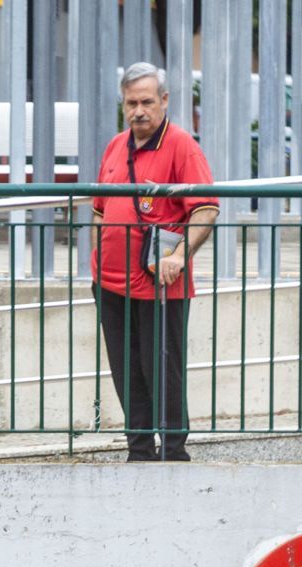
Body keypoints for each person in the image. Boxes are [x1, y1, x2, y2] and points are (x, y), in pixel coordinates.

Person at [91, 63, 218, 462]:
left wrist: (180, 256)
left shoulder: (182, 146)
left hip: (159, 285)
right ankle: (140, 450)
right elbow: (99, 208)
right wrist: (97, 255)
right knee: (126, 372)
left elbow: (206, 209)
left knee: (161, 372)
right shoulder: (116, 146)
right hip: (110, 284)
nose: (138, 111)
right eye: (131, 103)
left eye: (147, 101)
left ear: (164, 101)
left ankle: (174, 452)